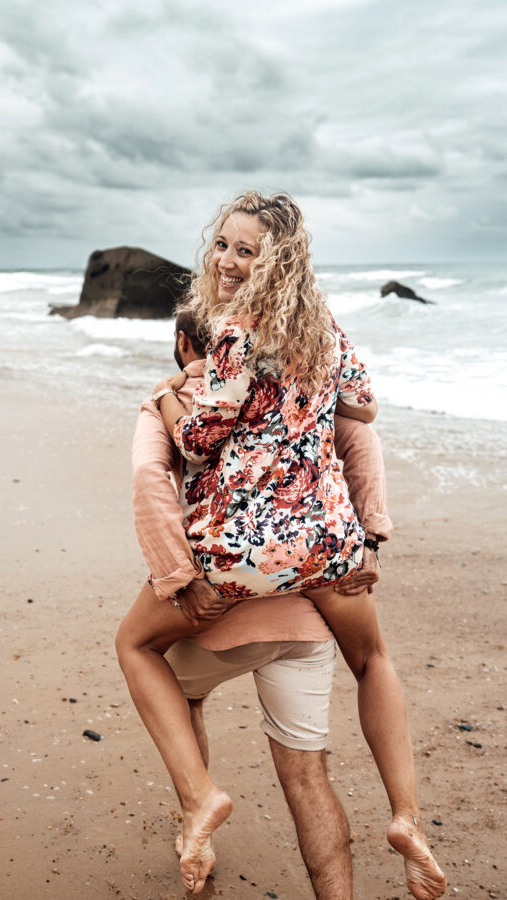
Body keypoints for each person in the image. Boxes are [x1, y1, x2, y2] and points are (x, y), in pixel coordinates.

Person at [116, 190, 446, 899]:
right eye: (224, 245)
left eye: (246, 250)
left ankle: (200, 798)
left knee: (134, 646)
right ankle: (406, 816)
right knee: (374, 659)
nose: (229, 261)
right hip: (327, 544)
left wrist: (174, 395)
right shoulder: (325, 328)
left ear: (276, 261)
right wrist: (307, 405)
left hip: (242, 548)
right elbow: (364, 408)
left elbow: (198, 440)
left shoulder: (233, 329)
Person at [131, 307, 390, 898]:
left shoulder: (177, 401)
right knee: (306, 774)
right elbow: (363, 439)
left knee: (159, 671)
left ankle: (199, 811)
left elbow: (151, 480)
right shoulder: (307, 394)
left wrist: (179, 579)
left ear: (182, 343)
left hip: (222, 600)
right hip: (308, 606)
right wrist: (370, 537)